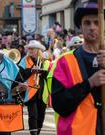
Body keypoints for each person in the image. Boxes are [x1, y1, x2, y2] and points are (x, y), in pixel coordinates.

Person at [48, 0, 105, 134]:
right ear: (80, 26)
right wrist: (89, 83)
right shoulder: (65, 62)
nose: (92, 27)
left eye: (97, 23)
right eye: (87, 23)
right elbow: (59, 105)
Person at [18, 40, 50, 135]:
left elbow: (48, 75)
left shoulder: (44, 61)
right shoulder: (24, 60)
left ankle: (37, 132)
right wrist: (31, 71)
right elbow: (20, 74)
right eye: (29, 48)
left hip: (42, 91)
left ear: (38, 50)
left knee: (41, 116)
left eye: (33, 48)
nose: (30, 50)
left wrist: (42, 72)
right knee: (33, 115)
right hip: (30, 91)